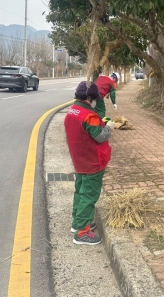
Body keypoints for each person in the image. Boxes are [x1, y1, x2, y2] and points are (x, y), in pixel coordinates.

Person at [64, 81, 116, 245]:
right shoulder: (89, 116)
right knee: (89, 195)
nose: (95, 101)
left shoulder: (73, 111)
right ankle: (82, 232)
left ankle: (78, 222)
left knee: (80, 191)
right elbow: (100, 136)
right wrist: (109, 127)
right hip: (92, 161)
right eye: (95, 98)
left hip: (80, 160)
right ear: (89, 98)